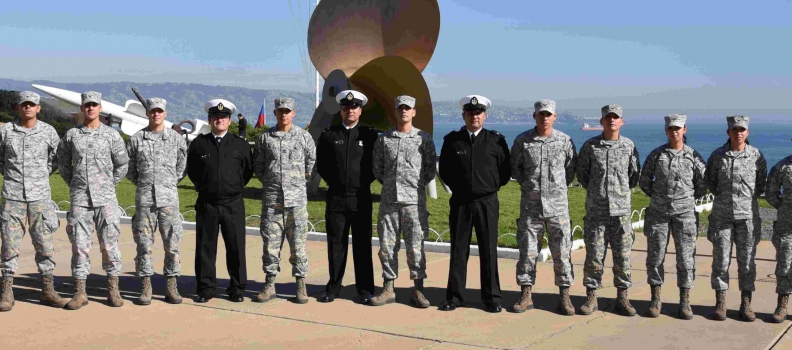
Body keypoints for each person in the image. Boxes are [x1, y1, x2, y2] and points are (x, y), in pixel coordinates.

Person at [438, 95, 510, 313]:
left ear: (485, 116)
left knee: (488, 251)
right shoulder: (452, 140)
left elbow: (505, 171)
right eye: (470, 113)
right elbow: (445, 171)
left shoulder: (496, 140)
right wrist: (461, 188)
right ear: (464, 115)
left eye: (478, 113)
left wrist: (490, 186)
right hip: (460, 202)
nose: (474, 116)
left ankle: (492, 298)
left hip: (487, 202)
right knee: (458, 251)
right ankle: (455, 296)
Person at [57, 91, 129, 310]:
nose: (90, 108)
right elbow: (63, 164)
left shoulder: (111, 136)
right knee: (79, 246)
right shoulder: (71, 136)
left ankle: (113, 289)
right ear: (82, 108)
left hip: (106, 200)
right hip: (80, 200)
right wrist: (77, 185)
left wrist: (108, 184)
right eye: (87, 105)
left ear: (100, 108)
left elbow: (123, 165)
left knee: (109, 246)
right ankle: (80, 292)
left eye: (94, 105)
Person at [0, 91, 67, 312]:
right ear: (17, 108)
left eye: (32, 104)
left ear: (39, 108)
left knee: (45, 245)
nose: (27, 107)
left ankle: (48, 290)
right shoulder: (6, 131)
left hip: (40, 198)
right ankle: (6, 291)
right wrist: (14, 177)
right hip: (13, 197)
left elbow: (56, 160)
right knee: (9, 247)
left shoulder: (48, 132)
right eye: (24, 104)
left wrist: (39, 176)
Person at [510, 99, 577, 315]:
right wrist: (532, 190)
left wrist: (554, 191)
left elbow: (570, 172)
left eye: (548, 114)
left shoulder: (565, 141)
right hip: (531, 208)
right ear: (534, 116)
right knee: (527, 254)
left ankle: (565, 297)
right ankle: (526, 295)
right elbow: (517, 170)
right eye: (541, 114)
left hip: (558, 209)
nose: (545, 118)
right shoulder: (523, 141)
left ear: (555, 117)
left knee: (562, 254)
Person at [369, 95, 436, 308]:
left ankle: (418, 289)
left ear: (414, 112)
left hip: (414, 203)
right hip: (389, 202)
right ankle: (388, 288)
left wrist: (411, 188)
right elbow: (377, 169)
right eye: (400, 108)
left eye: (408, 108)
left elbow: (429, 170)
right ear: (395, 112)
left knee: (415, 248)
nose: (404, 112)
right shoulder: (384, 140)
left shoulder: (423, 139)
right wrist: (391, 186)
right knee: (387, 247)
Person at [639, 114, 706, 320]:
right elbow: (644, 180)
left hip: (685, 215)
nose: (674, 131)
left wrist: (685, 199)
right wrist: (659, 197)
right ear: (666, 131)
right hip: (659, 214)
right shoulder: (657, 155)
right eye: (670, 128)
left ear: (684, 130)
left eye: (678, 128)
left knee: (686, 259)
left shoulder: (693, 156)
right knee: (655, 257)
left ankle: (684, 302)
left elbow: (702, 184)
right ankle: (655, 300)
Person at [576, 104, 640, 316]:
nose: (612, 120)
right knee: (594, 256)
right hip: (597, 211)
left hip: (621, 212)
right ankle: (591, 297)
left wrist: (618, 194)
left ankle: (623, 298)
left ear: (622, 121)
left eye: (616, 117)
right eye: (608, 117)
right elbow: (583, 176)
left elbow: (633, 177)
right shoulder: (590, 147)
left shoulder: (629, 146)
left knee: (623, 257)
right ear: (601, 120)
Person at [187, 99, 253, 303]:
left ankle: (237, 288)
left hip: (232, 203)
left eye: (223, 117)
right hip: (207, 203)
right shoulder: (199, 144)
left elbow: (248, 172)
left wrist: (233, 188)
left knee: (236, 248)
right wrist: (205, 187)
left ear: (230, 120)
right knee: (206, 248)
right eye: (215, 117)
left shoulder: (240, 145)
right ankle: (206, 288)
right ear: (209, 119)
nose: (219, 120)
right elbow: (193, 172)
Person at [316, 90, 378, 304]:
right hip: (336, 198)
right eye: (346, 107)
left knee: (362, 244)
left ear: (360, 110)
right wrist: (336, 182)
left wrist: (362, 183)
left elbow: (374, 166)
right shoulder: (329, 135)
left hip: (361, 197)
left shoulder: (370, 136)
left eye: (354, 107)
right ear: (340, 110)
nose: (350, 110)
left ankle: (365, 289)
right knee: (336, 244)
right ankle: (333, 288)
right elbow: (322, 164)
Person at [252, 97, 316, 304]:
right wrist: (273, 183)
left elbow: (311, 166)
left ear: (294, 113)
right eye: (280, 111)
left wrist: (295, 183)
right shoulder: (265, 138)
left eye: (288, 111)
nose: (284, 114)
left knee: (298, 246)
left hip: (296, 201)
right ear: (275, 113)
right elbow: (259, 168)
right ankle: (270, 284)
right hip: (272, 202)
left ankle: (300, 284)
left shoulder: (304, 137)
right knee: (270, 245)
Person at [126, 97, 188, 305]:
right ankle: (146, 286)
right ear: (147, 113)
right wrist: (144, 183)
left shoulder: (176, 139)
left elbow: (182, 167)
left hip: (169, 200)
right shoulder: (136, 139)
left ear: (165, 113)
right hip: (145, 200)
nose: (156, 114)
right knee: (143, 244)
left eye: (160, 111)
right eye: (152, 111)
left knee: (172, 244)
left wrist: (168, 183)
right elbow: (128, 169)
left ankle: (171, 286)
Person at [705, 115, 766, 322]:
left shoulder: (756, 156)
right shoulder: (717, 156)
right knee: (720, 261)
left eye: (742, 130)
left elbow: (760, 186)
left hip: (747, 217)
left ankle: (746, 303)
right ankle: (721, 302)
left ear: (747, 133)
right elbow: (711, 184)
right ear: (728, 132)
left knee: (747, 262)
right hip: (722, 217)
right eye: (734, 129)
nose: (738, 133)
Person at [766, 143, 792, 323]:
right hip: (786, 226)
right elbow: (770, 193)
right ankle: (782, 305)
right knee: (784, 265)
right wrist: (785, 208)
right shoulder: (782, 167)